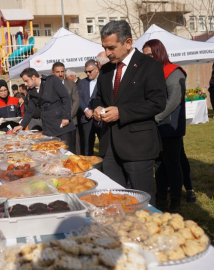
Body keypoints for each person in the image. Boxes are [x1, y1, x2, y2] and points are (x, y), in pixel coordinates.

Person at [92, 21, 166, 206]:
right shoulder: (107, 69)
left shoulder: (149, 65)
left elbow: (157, 103)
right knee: (114, 200)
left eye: (111, 48)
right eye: (104, 48)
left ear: (128, 42)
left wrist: (122, 112)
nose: (107, 53)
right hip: (109, 145)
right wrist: (97, 108)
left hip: (137, 146)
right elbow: (98, 97)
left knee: (141, 200)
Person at [143, 39, 190, 213]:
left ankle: (176, 201)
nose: (147, 58)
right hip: (155, 126)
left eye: (150, 55)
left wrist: (156, 117)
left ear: (159, 53)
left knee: (172, 164)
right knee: (158, 165)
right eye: (145, 55)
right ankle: (161, 198)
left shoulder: (174, 72)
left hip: (170, 127)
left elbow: (174, 100)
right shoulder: (151, 72)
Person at [14, 68, 76, 152]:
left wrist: (66, 117)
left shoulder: (52, 80)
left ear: (33, 77)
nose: (25, 84)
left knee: (68, 155)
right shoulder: (31, 91)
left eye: (26, 81)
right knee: (54, 155)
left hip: (62, 125)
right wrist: (22, 125)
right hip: (48, 128)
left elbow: (66, 98)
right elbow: (30, 110)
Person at [51, 62, 80, 154]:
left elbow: (76, 101)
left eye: (62, 72)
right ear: (53, 73)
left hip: (71, 121)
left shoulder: (71, 84)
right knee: (58, 148)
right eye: (57, 72)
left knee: (71, 148)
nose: (60, 74)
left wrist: (67, 117)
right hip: (55, 123)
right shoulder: (48, 86)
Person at [78, 59, 101, 156]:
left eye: (89, 71)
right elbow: (79, 98)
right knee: (87, 146)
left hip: (100, 119)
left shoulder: (103, 80)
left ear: (96, 69)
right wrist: (86, 110)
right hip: (86, 119)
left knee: (103, 145)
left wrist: (95, 111)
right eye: (86, 71)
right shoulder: (82, 82)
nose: (87, 74)